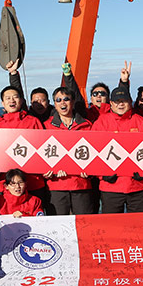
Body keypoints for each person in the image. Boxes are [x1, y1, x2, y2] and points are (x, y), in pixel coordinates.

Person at [91, 86, 143, 213]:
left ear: (130, 102)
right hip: (110, 186)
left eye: (124, 101)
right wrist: (102, 176)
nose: (121, 104)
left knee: (139, 226)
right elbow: (93, 152)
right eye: (117, 101)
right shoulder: (101, 123)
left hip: (138, 186)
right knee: (112, 227)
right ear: (111, 103)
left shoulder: (142, 122)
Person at [0, 84, 47, 202]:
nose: (12, 100)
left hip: (34, 181)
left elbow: (44, 147)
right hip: (8, 185)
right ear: (2, 103)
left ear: (21, 101)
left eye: (15, 97)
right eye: (8, 98)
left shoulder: (33, 122)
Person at [43, 86, 94, 215]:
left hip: (81, 183)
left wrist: (90, 171)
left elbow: (94, 153)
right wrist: (45, 171)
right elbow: (41, 156)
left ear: (73, 101)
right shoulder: (45, 127)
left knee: (84, 224)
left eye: (66, 99)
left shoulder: (87, 125)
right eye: (58, 100)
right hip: (56, 184)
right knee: (58, 225)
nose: (62, 103)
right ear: (54, 104)